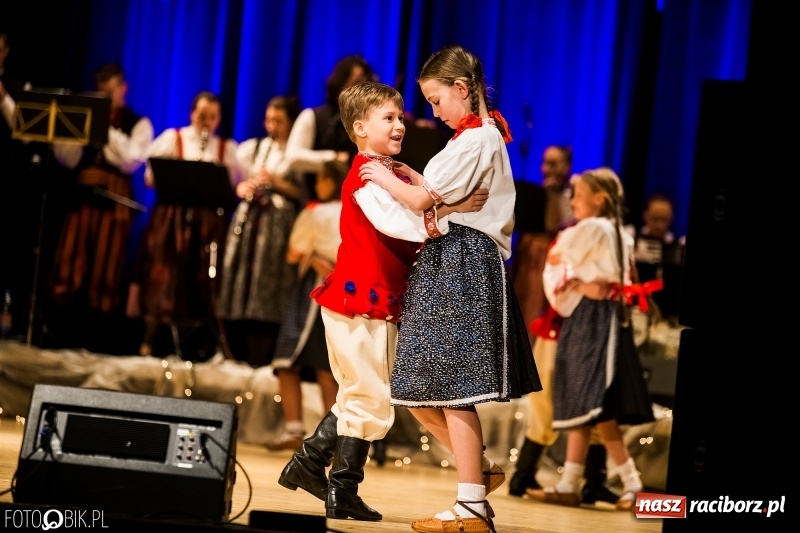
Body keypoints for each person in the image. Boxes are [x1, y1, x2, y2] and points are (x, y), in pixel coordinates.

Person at [277, 80, 488, 523]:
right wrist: (454, 209)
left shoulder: (388, 169)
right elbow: (403, 225)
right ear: (359, 127)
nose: (399, 125)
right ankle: (341, 487)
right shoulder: (368, 174)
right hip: (361, 300)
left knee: (362, 392)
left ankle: (312, 464)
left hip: (375, 300)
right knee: (370, 395)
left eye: (400, 117)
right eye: (387, 118)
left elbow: (412, 209)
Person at [359, 45, 542, 533]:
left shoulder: (478, 138)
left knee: (453, 389)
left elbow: (422, 201)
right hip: (447, 257)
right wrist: (419, 184)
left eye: (438, 101)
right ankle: (476, 473)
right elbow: (437, 195)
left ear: (462, 90)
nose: (434, 112)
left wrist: (383, 173)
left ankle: (472, 504)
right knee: (417, 388)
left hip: (463, 262)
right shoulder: (472, 140)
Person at [527, 167, 654, 512]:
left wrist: (578, 282)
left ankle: (632, 485)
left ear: (599, 199)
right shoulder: (617, 231)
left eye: (578, 195)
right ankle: (570, 482)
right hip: (595, 316)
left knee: (596, 405)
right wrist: (583, 284)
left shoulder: (595, 228)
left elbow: (557, 255)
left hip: (595, 320)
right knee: (586, 406)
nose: (573, 201)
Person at [509, 146, 619, 508]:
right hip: (561, 326)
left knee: (595, 403)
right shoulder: (575, 234)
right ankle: (524, 475)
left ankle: (593, 480)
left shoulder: (605, 233)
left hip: (591, 331)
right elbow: (557, 274)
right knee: (545, 399)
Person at [42, 63, 153, 353]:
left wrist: (104, 123)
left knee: (106, 267)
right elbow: (67, 157)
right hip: (83, 198)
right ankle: (62, 332)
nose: (104, 95)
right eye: (100, 89)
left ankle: (97, 338)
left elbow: (130, 159)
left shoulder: (138, 122)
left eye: (110, 89)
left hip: (114, 201)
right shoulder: (84, 115)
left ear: (122, 88)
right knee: (71, 261)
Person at [126, 90, 241, 360]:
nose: (206, 122)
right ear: (192, 114)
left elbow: (232, 185)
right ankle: (151, 340)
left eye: (212, 118)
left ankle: (196, 345)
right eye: (202, 116)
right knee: (163, 275)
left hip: (207, 222)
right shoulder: (172, 138)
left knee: (200, 279)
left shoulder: (226, 148)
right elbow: (150, 178)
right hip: (172, 218)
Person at [266, 159, 348, 452]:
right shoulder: (357, 211)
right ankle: (334, 438)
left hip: (315, 290)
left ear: (329, 182)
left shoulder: (316, 212)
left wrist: (312, 256)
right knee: (329, 368)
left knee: (287, 359)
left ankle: (295, 428)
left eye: (320, 180)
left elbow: (292, 253)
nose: (316, 185)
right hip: (347, 292)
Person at [217, 94, 303, 367]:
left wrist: (276, 183)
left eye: (279, 121)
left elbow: (303, 193)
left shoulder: (296, 153)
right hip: (249, 222)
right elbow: (236, 181)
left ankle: (263, 354)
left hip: (277, 225)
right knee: (241, 279)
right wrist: (242, 188)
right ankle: (235, 349)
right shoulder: (253, 148)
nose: (272, 126)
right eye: (269, 120)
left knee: (268, 285)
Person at [281, 55, 375, 203]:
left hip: (357, 205)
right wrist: (333, 158)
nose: (361, 89)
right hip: (315, 205)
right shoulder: (313, 116)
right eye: (356, 82)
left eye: (365, 83)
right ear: (340, 82)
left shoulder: (370, 121)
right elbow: (293, 157)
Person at [627, 193, 684, 323]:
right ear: (645, 215)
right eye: (655, 219)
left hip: (665, 318)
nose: (659, 225)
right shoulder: (631, 238)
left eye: (664, 220)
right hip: (635, 313)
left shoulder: (677, 245)